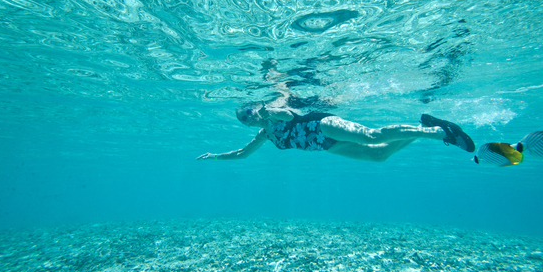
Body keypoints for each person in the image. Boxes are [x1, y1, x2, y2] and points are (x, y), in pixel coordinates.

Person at [196, 103, 475, 162]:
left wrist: (266, 109)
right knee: (379, 157)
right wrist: (216, 156)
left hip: (321, 125)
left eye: (248, 112)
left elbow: (283, 113)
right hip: (326, 145)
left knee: (373, 136)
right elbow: (242, 154)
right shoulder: (264, 136)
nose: (248, 118)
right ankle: (423, 128)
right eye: (243, 119)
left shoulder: (274, 113)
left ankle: (442, 132)